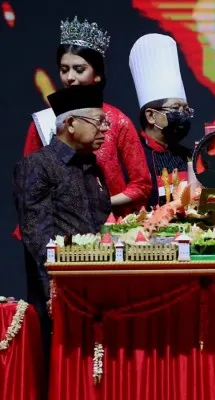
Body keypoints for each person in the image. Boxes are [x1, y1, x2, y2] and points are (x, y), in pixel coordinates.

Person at [13, 84, 111, 361]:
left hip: (100, 291)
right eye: (98, 121)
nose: (105, 129)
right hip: (60, 294)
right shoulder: (37, 166)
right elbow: (37, 234)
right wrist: (52, 291)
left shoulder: (93, 166)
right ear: (70, 123)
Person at [18, 16, 150, 218]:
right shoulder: (42, 123)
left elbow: (141, 185)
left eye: (79, 69)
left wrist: (100, 203)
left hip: (110, 227)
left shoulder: (118, 120)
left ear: (97, 75)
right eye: (64, 70)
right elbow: (27, 185)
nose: (70, 77)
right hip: (56, 229)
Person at [129, 33, 194, 207]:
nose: (183, 115)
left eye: (186, 109)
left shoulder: (191, 157)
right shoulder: (131, 156)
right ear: (150, 116)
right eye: (175, 109)